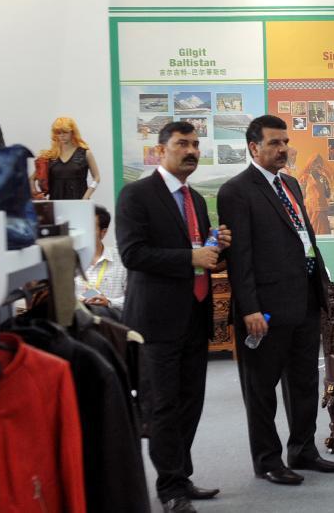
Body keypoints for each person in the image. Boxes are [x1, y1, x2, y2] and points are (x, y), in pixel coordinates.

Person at [217, 115, 334, 486]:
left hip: (304, 299)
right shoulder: (236, 191)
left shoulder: (290, 184)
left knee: (304, 381)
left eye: (285, 142)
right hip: (266, 309)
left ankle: (303, 449)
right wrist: (250, 308)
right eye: (274, 143)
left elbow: (304, 240)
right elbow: (239, 257)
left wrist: (320, 290)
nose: (283, 149)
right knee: (261, 389)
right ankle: (267, 460)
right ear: (253, 147)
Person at [116, 121, 231, 513]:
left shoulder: (196, 199)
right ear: (160, 150)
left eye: (196, 144)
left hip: (194, 317)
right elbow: (134, 254)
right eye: (183, 144)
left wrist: (218, 250)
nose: (191, 151)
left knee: (189, 403)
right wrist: (190, 257)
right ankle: (170, 491)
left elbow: (201, 256)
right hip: (156, 321)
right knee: (162, 406)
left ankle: (181, 476)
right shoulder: (136, 195)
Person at [74, 205, 127, 319]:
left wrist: (108, 302)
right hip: (77, 325)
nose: (82, 233)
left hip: (111, 324)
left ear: (103, 233)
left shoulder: (121, 259)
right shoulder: (68, 261)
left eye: (89, 228)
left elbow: (133, 300)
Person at [31, 116, 101, 200]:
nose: (62, 135)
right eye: (58, 133)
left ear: (72, 132)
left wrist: (86, 197)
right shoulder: (50, 157)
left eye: (65, 132)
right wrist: (36, 194)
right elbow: (32, 179)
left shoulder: (85, 153)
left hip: (79, 202)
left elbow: (96, 178)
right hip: (56, 203)